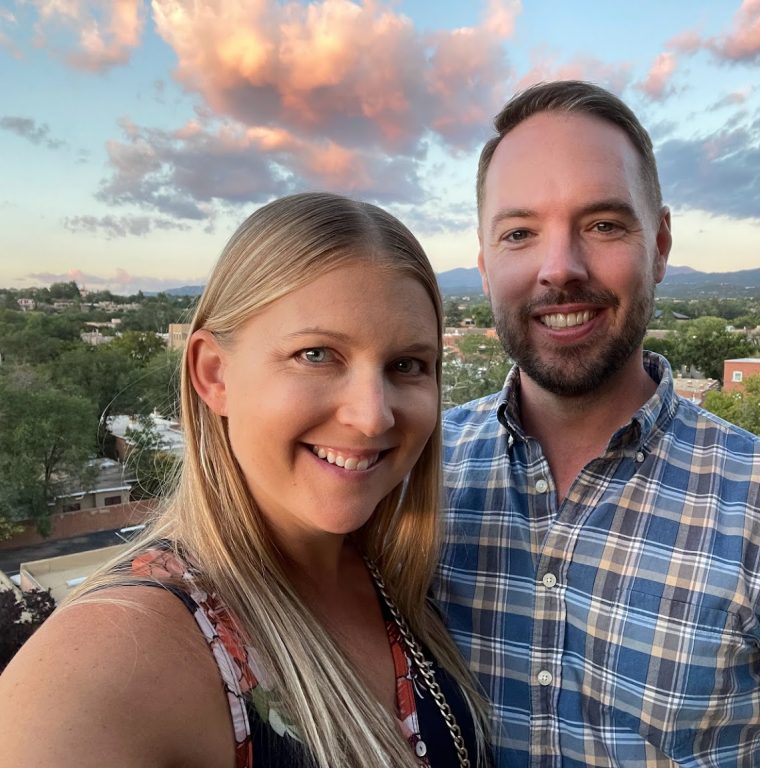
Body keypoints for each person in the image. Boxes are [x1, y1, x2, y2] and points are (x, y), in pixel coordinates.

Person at [434, 81, 760, 767]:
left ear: (659, 244)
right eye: (520, 233)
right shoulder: (419, 476)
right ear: (485, 268)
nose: (561, 267)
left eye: (603, 224)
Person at [0, 193, 487, 768]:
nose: (373, 415)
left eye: (407, 365)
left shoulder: (401, 582)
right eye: (316, 354)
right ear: (214, 374)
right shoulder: (118, 656)